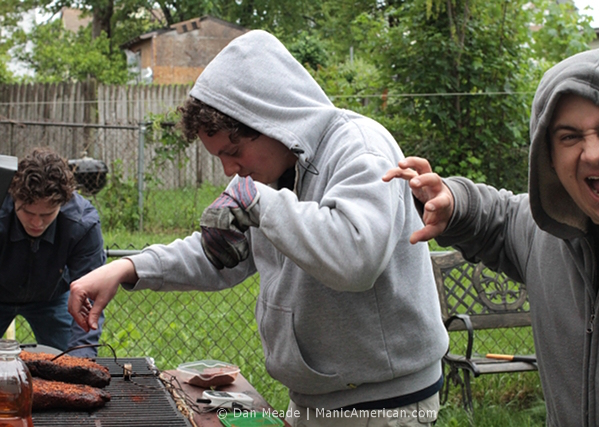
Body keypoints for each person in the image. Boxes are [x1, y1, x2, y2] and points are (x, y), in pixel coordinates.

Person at [67, 30, 448, 426]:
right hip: (317, 398)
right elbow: (220, 255)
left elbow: (356, 257)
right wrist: (128, 268)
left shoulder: (359, 148)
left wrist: (257, 201)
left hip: (384, 404)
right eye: (219, 157)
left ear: (274, 121)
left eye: (233, 152)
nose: (229, 170)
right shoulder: (267, 180)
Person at [383, 47, 599, 426]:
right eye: (570, 137)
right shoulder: (544, 234)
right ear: (548, 156)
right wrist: (453, 203)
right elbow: (498, 216)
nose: (595, 153)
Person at [0, 147, 106, 358]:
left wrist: (81, 363)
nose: (37, 223)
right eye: (28, 212)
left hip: (52, 297)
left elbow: (90, 293)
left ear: (62, 203)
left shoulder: (82, 224)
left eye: (47, 214)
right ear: (14, 198)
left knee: (75, 358)